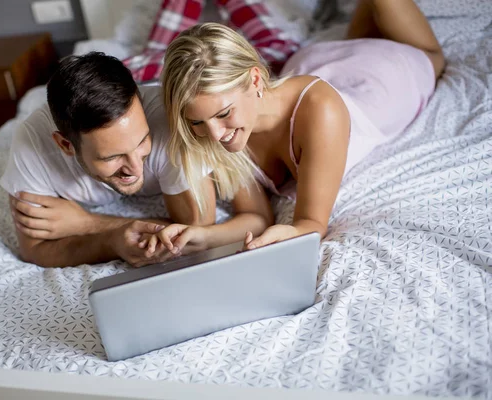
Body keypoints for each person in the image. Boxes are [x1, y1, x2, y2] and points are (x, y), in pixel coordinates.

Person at [149, 0, 445, 254]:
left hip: (379, 79)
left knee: (432, 56)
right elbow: (254, 215)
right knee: (350, 41)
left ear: (255, 80)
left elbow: (313, 224)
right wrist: (200, 237)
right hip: (317, 61)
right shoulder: (224, 130)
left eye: (224, 113)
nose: (214, 134)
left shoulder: (320, 111)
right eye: (197, 122)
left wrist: (291, 233)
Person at [0, 52, 213, 268]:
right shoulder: (32, 143)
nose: (136, 167)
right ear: (65, 145)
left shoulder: (168, 122)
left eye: (142, 141)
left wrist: (88, 224)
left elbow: (198, 230)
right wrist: (111, 242)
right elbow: (34, 250)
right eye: (113, 156)